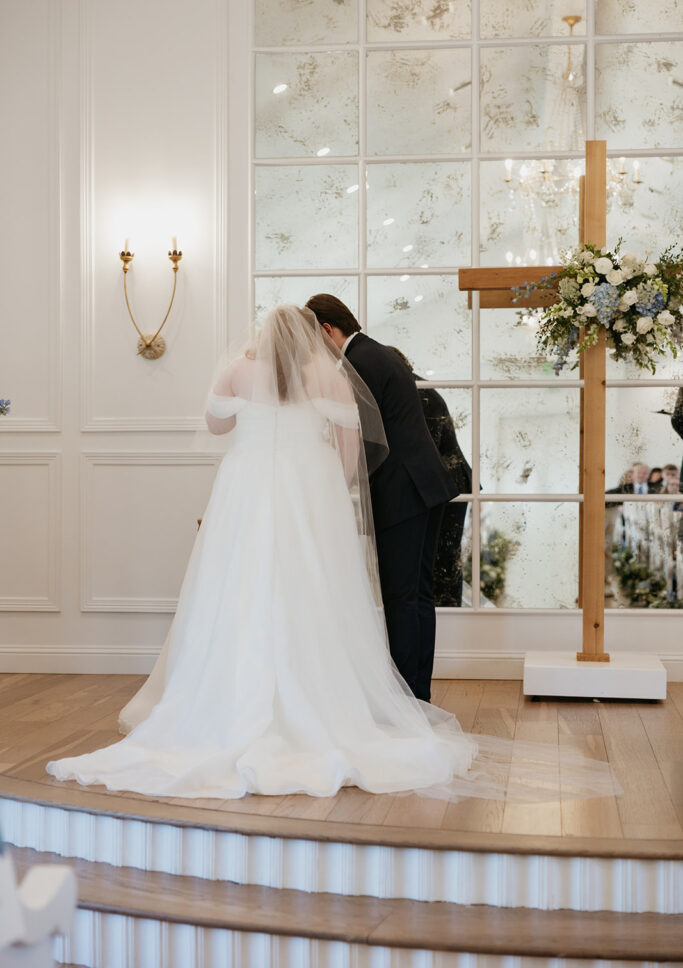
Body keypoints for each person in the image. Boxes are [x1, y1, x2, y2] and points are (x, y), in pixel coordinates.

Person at [46, 307, 619, 804]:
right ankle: (325, 703)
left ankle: (226, 701)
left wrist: (244, 388)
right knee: (313, 596)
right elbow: (352, 445)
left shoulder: (241, 368)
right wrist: (328, 484)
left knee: (240, 589)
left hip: (246, 494)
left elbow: (215, 424)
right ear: (307, 336)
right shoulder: (325, 371)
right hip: (306, 493)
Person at [305, 295, 457, 702]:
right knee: (419, 595)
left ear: (326, 330)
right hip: (425, 485)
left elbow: (359, 436)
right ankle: (418, 694)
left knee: (402, 596)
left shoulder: (359, 363)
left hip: (403, 491)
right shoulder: (377, 353)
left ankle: (408, 698)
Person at [385, 346, 472, 608]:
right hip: (446, 480)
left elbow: (424, 448)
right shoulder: (416, 388)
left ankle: (447, 611)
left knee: (442, 557)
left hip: (448, 483)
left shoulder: (419, 393)